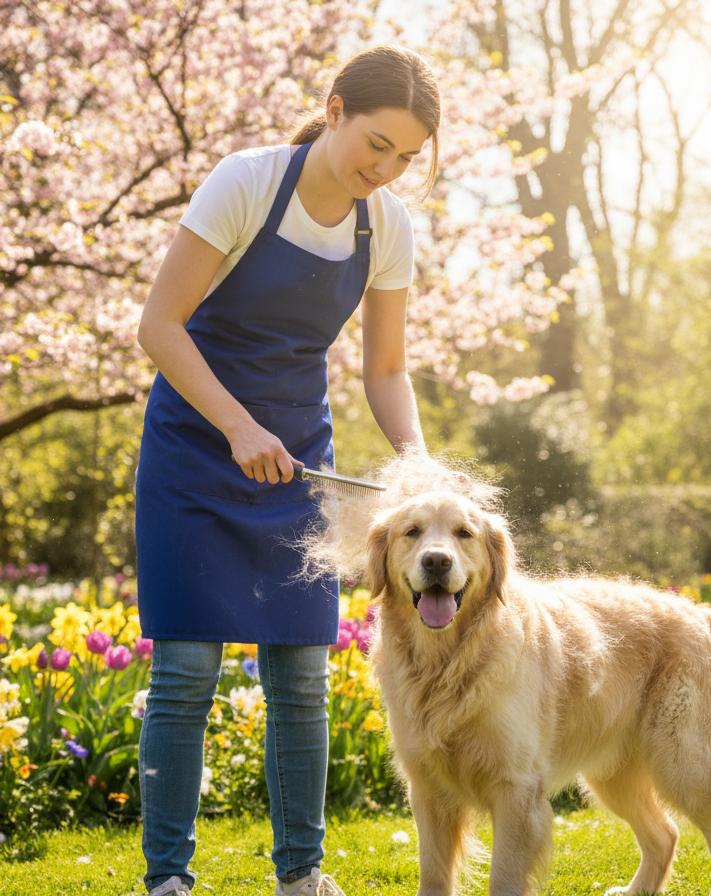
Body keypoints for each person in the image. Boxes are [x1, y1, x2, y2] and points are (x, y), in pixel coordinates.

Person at [133, 45, 440, 896]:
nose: (385, 169)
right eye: (376, 144)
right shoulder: (247, 183)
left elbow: (384, 370)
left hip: (301, 463)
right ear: (334, 109)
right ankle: (168, 879)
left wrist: (415, 460)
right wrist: (235, 427)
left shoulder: (388, 229)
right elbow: (160, 326)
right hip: (197, 453)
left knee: (302, 672)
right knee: (187, 669)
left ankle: (300, 875)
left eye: (406, 157)